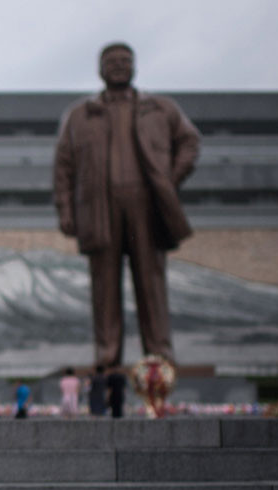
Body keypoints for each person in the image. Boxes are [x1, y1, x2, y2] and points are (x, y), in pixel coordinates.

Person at [53, 42, 200, 368]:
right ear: (100, 69)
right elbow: (63, 166)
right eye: (111, 61)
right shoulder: (79, 115)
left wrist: (170, 180)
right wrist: (66, 209)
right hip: (99, 209)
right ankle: (107, 357)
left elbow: (189, 141)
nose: (119, 66)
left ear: (134, 67)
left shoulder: (160, 108)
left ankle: (159, 356)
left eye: (125, 61)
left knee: (151, 282)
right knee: (104, 287)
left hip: (146, 207)